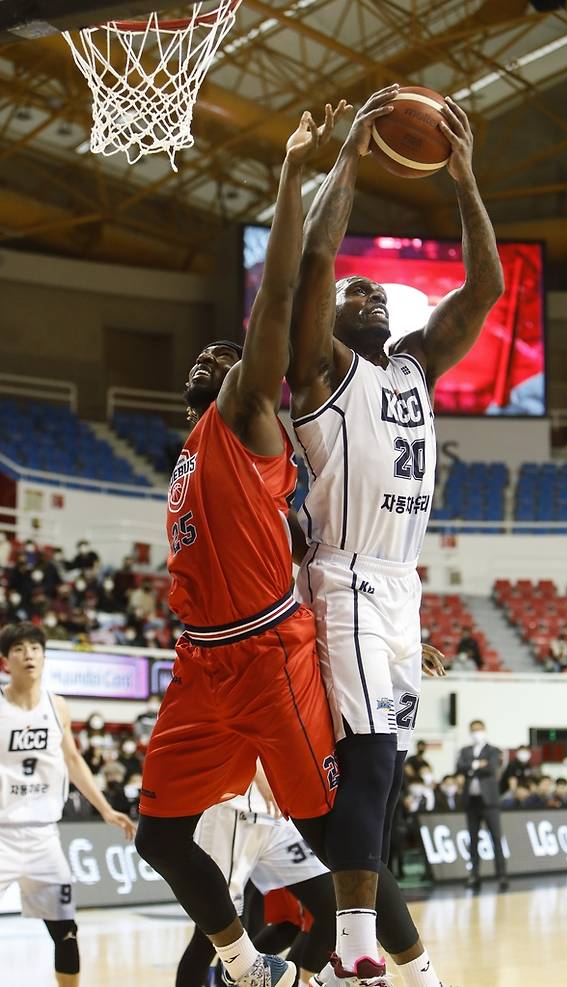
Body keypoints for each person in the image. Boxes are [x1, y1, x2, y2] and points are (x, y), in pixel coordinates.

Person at [288, 82, 502, 986]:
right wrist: (349, 158)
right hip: (341, 579)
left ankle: (313, 947)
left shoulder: (415, 365)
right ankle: (351, 943)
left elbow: (485, 286)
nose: (368, 290)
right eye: (356, 289)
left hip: (399, 587)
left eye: (381, 290)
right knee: (370, 760)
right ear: (332, 318)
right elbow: (314, 261)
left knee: (365, 786)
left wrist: (463, 180)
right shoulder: (320, 369)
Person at [135, 108, 345, 987]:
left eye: (232, 357)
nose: (217, 361)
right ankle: (245, 961)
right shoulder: (188, 452)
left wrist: (295, 173)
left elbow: (283, 295)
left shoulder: (244, 416)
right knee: (158, 837)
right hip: (201, 664)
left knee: (337, 843)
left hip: (267, 651)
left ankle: (361, 961)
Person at [0, 621, 135, 987]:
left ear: (44, 656)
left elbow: (73, 761)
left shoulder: (57, 706)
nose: (28, 654)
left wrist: (105, 809)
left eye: (35, 648)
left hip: (44, 837)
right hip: (1, 835)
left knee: (66, 931)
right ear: (5, 660)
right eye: (18, 649)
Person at [175, 766, 335, 987]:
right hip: (232, 808)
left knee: (332, 906)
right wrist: (258, 775)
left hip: (276, 814)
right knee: (213, 929)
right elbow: (240, 733)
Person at [456, 719, 508, 891]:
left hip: (489, 802)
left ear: (484, 730)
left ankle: (501, 875)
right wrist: (477, 765)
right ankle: (474, 875)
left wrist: (472, 767)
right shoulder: (465, 750)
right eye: (473, 730)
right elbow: (460, 767)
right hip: (472, 801)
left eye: (479, 729)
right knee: (473, 840)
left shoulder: (493, 750)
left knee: (496, 838)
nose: (476, 732)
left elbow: (491, 768)